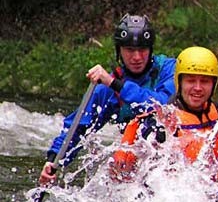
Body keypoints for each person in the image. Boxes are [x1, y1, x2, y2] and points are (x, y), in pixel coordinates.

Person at [39, 14, 176, 186]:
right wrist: (53, 160)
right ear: (119, 50)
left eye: (142, 49)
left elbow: (160, 105)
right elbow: (78, 127)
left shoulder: (169, 69)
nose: (137, 57)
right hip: (135, 161)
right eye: (129, 50)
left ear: (151, 49)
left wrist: (116, 84)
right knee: (119, 168)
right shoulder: (105, 90)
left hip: (171, 153)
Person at [110, 47, 218, 189]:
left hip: (212, 195)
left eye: (204, 81)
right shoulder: (158, 122)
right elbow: (124, 178)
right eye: (191, 81)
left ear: (213, 84)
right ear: (179, 82)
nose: (197, 88)